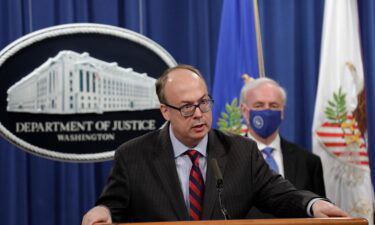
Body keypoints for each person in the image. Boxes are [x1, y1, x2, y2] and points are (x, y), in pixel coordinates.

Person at [82, 65, 348, 225]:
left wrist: (312, 205)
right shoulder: (133, 156)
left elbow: (281, 194)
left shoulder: (241, 152)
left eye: (203, 102)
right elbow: (112, 205)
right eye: (187, 107)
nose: (199, 113)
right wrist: (102, 211)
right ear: (165, 111)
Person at [239, 77, 326, 218]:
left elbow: (319, 215)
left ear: (282, 111)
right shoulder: (229, 159)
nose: (267, 111)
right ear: (245, 110)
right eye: (259, 105)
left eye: (273, 106)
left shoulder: (309, 162)